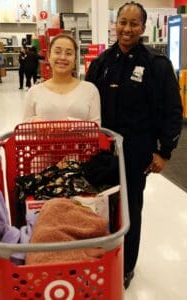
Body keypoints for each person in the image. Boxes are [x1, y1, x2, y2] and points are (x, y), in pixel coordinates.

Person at [86, 1, 183, 289]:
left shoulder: (156, 64)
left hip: (136, 149)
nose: (127, 29)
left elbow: (172, 110)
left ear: (142, 28)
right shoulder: (101, 63)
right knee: (100, 205)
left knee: (130, 208)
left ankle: (125, 267)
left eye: (134, 23)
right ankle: (101, 256)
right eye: (122, 22)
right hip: (103, 150)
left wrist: (164, 151)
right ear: (114, 24)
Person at [23, 33, 100, 125]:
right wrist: (33, 122)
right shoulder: (34, 91)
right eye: (57, 52)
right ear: (49, 56)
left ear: (75, 59)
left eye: (69, 53)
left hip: (80, 140)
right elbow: (25, 127)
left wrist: (71, 123)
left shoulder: (90, 90)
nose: (63, 57)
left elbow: (96, 128)